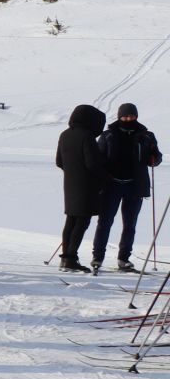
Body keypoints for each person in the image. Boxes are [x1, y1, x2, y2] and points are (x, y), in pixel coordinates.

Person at [93, 103, 162, 273]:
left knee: (130, 224)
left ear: (136, 116)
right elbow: (99, 158)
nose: (128, 119)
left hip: (134, 185)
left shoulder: (146, 135)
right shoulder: (108, 135)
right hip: (111, 185)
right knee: (105, 222)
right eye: (125, 116)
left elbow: (156, 157)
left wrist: (155, 158)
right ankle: (98, 257)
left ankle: (124, 259)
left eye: (131, 116)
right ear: (119, 116)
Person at [54, 103, 106, 275]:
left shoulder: (65, 134)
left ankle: (65, 258)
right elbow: (92, 163)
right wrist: (105, 177)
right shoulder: (87, 136)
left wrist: (72, 171)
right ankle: (71, 258)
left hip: (69, 183)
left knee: (71, 220)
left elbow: (59, 161)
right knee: (81, 222)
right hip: (87, 185)